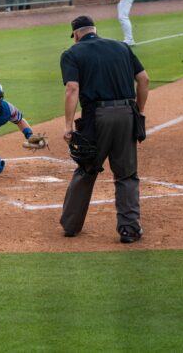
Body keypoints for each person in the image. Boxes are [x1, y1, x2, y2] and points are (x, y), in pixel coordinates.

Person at [60, 15, 149, 243]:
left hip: (97, 118)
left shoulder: (72, 53)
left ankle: (70, 226)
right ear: (94, 29)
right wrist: (137, 111)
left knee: (87, 168)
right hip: (127, 115)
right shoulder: (121, 47)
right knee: (127, 175)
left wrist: (68, 126)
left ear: (77, 34)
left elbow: (72, 88)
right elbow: (144, 80)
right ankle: (129, 229)